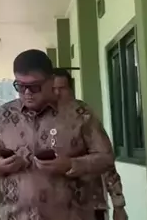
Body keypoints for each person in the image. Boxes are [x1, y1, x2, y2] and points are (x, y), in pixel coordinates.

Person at [0, 49, 115, 220]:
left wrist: (72, 164)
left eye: (34, 87)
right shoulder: (4, 115)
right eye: (20, 86)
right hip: (15, 215)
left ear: (51, 81)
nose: (27, 93)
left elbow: (106, 158)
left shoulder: (79, 114)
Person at [53, 69, 128, 220]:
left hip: (89, 204)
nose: (57, 93)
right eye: (53, 89)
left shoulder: (84, 116)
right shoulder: (38, 118)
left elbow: (106, 162)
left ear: (71, 89)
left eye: (61, 88)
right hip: (53, 206)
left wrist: (118, 204)